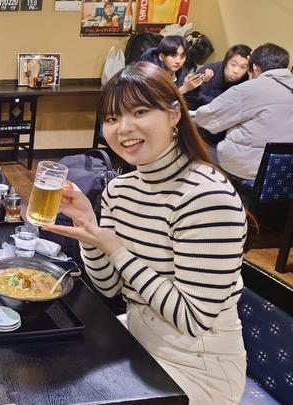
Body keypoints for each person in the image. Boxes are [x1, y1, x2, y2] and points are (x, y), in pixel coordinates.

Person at [47, 62, 247, 405]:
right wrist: (91, 230)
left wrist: (117, 249)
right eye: (111, 119)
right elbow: (110, 287)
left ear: (173, 116)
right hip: (137, 343)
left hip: (196, 367)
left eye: (139, 111)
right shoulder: (120, 190)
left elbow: (193, 318)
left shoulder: (206, 195)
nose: (124, 128)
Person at [196, 42, 293, 181]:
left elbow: (206, 119)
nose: (236, 71)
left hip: (246, 170)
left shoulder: (248, 89)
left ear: (253, 67)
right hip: (284, 173)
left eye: (243, 66)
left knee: (195, 147)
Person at [185, 44, 252, 110]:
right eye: (233, 64)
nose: (236, 71)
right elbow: (192, 102)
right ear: (225, 62)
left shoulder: (247, 79)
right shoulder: (208, 71)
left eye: (243, 67)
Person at [140, 35, 213, 95]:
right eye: (173, 55)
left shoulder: (182, 72)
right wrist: (184, 88)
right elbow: (157, 103)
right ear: (161, 57)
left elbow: (189, 100)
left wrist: (199, 82)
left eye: (182, 56)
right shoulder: (149, 73)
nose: (178, 61)